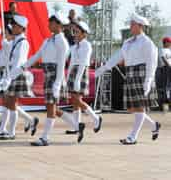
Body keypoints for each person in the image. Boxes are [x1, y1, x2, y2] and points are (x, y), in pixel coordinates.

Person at [95, 14, 161, 145]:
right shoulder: (128, 42)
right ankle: (154, 126)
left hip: (141, 74)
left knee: (139, 107)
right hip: (130, 73)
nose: (130, 26)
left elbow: (152, 63)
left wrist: (148, 81)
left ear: (140, 26)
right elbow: (118, 56)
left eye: (132, 24)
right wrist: (104, 68)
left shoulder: (147, 42)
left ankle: (133, 137)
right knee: (132, 109)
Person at [25, 12, 78, 146]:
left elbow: (61, 64)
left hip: (55, 76)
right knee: (51, 106)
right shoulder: (48, 40)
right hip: (48, 74)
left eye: (51, 22)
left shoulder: (62, 42)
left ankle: (45, 137)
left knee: (50, 107)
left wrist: (57, 84)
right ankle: (77, 124)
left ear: (59, 25)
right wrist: (23, 66)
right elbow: (37, 55)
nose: (48, 24)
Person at [0, 24, 38, 137]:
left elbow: (16, 62)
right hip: (7, 74)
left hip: (14, 75)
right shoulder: (9, 44)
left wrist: (7, 78)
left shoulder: (17, 43)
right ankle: (8, 127)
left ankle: (11, 132)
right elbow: (3, 62)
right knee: (8, 103)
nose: (5, 35)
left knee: (11, 103)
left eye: (7, 33)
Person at [64, 21, 102, 142]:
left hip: (81, 72)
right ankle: (76, 125)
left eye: (77, 31)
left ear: (84, 33)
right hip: (74, 71)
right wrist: (68, 76)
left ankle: (96, 118)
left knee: (77, 100)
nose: (74, 34)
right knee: (74, 101)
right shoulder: (74, 46)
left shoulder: (86, 45)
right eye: (74, 31)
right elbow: (71, 63)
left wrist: (77, 79)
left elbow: (83, 63)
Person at [157, 37, 171, 110]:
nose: (170, 44)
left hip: (168, 69)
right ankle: (164, 107)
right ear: (165, 42)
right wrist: (169, 67)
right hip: (164, 69)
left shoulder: (169, 50)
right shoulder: (162, 50)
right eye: (169, 42)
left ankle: (168, 106)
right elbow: (163, 59)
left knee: (168, 87)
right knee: (165, 87)